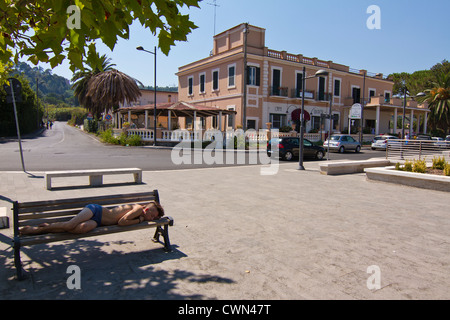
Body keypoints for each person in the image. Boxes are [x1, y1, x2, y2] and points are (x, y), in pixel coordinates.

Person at [20, 201, 164, 235]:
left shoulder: (142, 213)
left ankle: (47, 227)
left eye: (152, 215)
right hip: (95, 210)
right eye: (150, 210)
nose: (148, 214)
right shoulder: (138, 209)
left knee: (80, 229)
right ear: (146, 207)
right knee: (70, 226)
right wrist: (139, 220)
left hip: (97, 222)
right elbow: (121, 222)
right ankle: (36, 230)